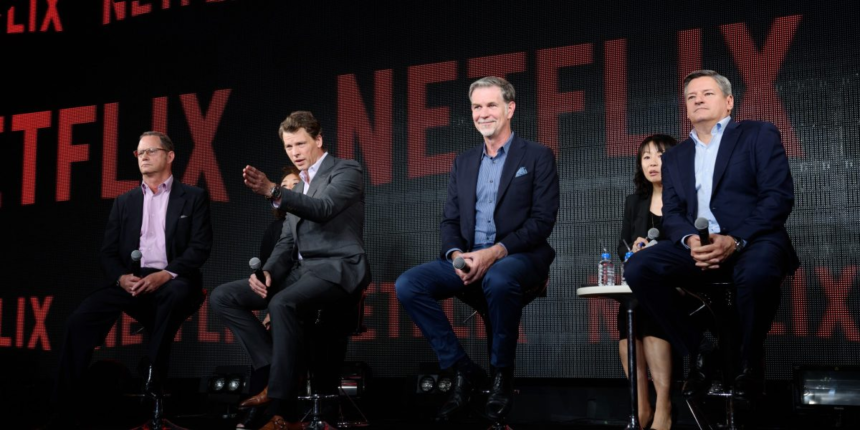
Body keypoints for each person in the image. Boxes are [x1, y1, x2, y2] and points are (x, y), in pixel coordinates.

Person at [624, 70, 800, 405]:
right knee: (639, 268)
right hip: (700, 246)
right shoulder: (675, 157)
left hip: (753, 241)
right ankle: (702, 349)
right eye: (691, 97)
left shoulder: (758, 134)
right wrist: (690, 240)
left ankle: (748, 363)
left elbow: (778, 197)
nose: (698, 100)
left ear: (729, 102)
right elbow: (673, 213)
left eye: (707, 94)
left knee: (757, 273)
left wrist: (736, 239)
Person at [395, 76, 560, 422]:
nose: (483, 113)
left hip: (520, 256)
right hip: (469, 256)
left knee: (498, 279)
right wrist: (457, 256)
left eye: (491, 105)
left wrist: (495, 252)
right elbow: (450, 221)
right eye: (476, 106)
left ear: (510, 109)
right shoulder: (464, 162)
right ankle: (463, 369)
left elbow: (542, 222)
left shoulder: (538, 155)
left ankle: (501, 375)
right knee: (409, 284)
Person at [209, 111, 371, 430]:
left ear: (318, 140)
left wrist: (274, 191)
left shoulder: (345, 170)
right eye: (288, 146)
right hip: (302, 272)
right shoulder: (301, 185)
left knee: (281, 302)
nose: (294, 152)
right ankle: (274, 368)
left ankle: (279, 397)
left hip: (338, 268)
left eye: (300, 144)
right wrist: (269, 272)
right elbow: (286, 241)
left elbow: (324, 209)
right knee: (223, 296)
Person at [50, 131, 213, 428]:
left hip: (173, 277)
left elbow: (200, 247)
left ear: (170, 156)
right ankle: (65, 405)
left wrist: (165, 274)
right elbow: (108, 253)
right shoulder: (124, 201)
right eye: (139, 152)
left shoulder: (193, 197)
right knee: (80, 319)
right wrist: (121, 278)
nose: (143, 157)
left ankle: (152, 378)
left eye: (151, 151)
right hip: (132, 280)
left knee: (174, 295)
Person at [617, 134, 677, 430]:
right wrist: (634, 249)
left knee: (651, 311)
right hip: (641, 282)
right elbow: (622, 247)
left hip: (678, 284)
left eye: (660, 155)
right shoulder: (634, 202)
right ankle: (640, 407)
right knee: (628, 314)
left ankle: (664, 405)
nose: (653, 163)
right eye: (646, 157)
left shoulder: (686, 198)